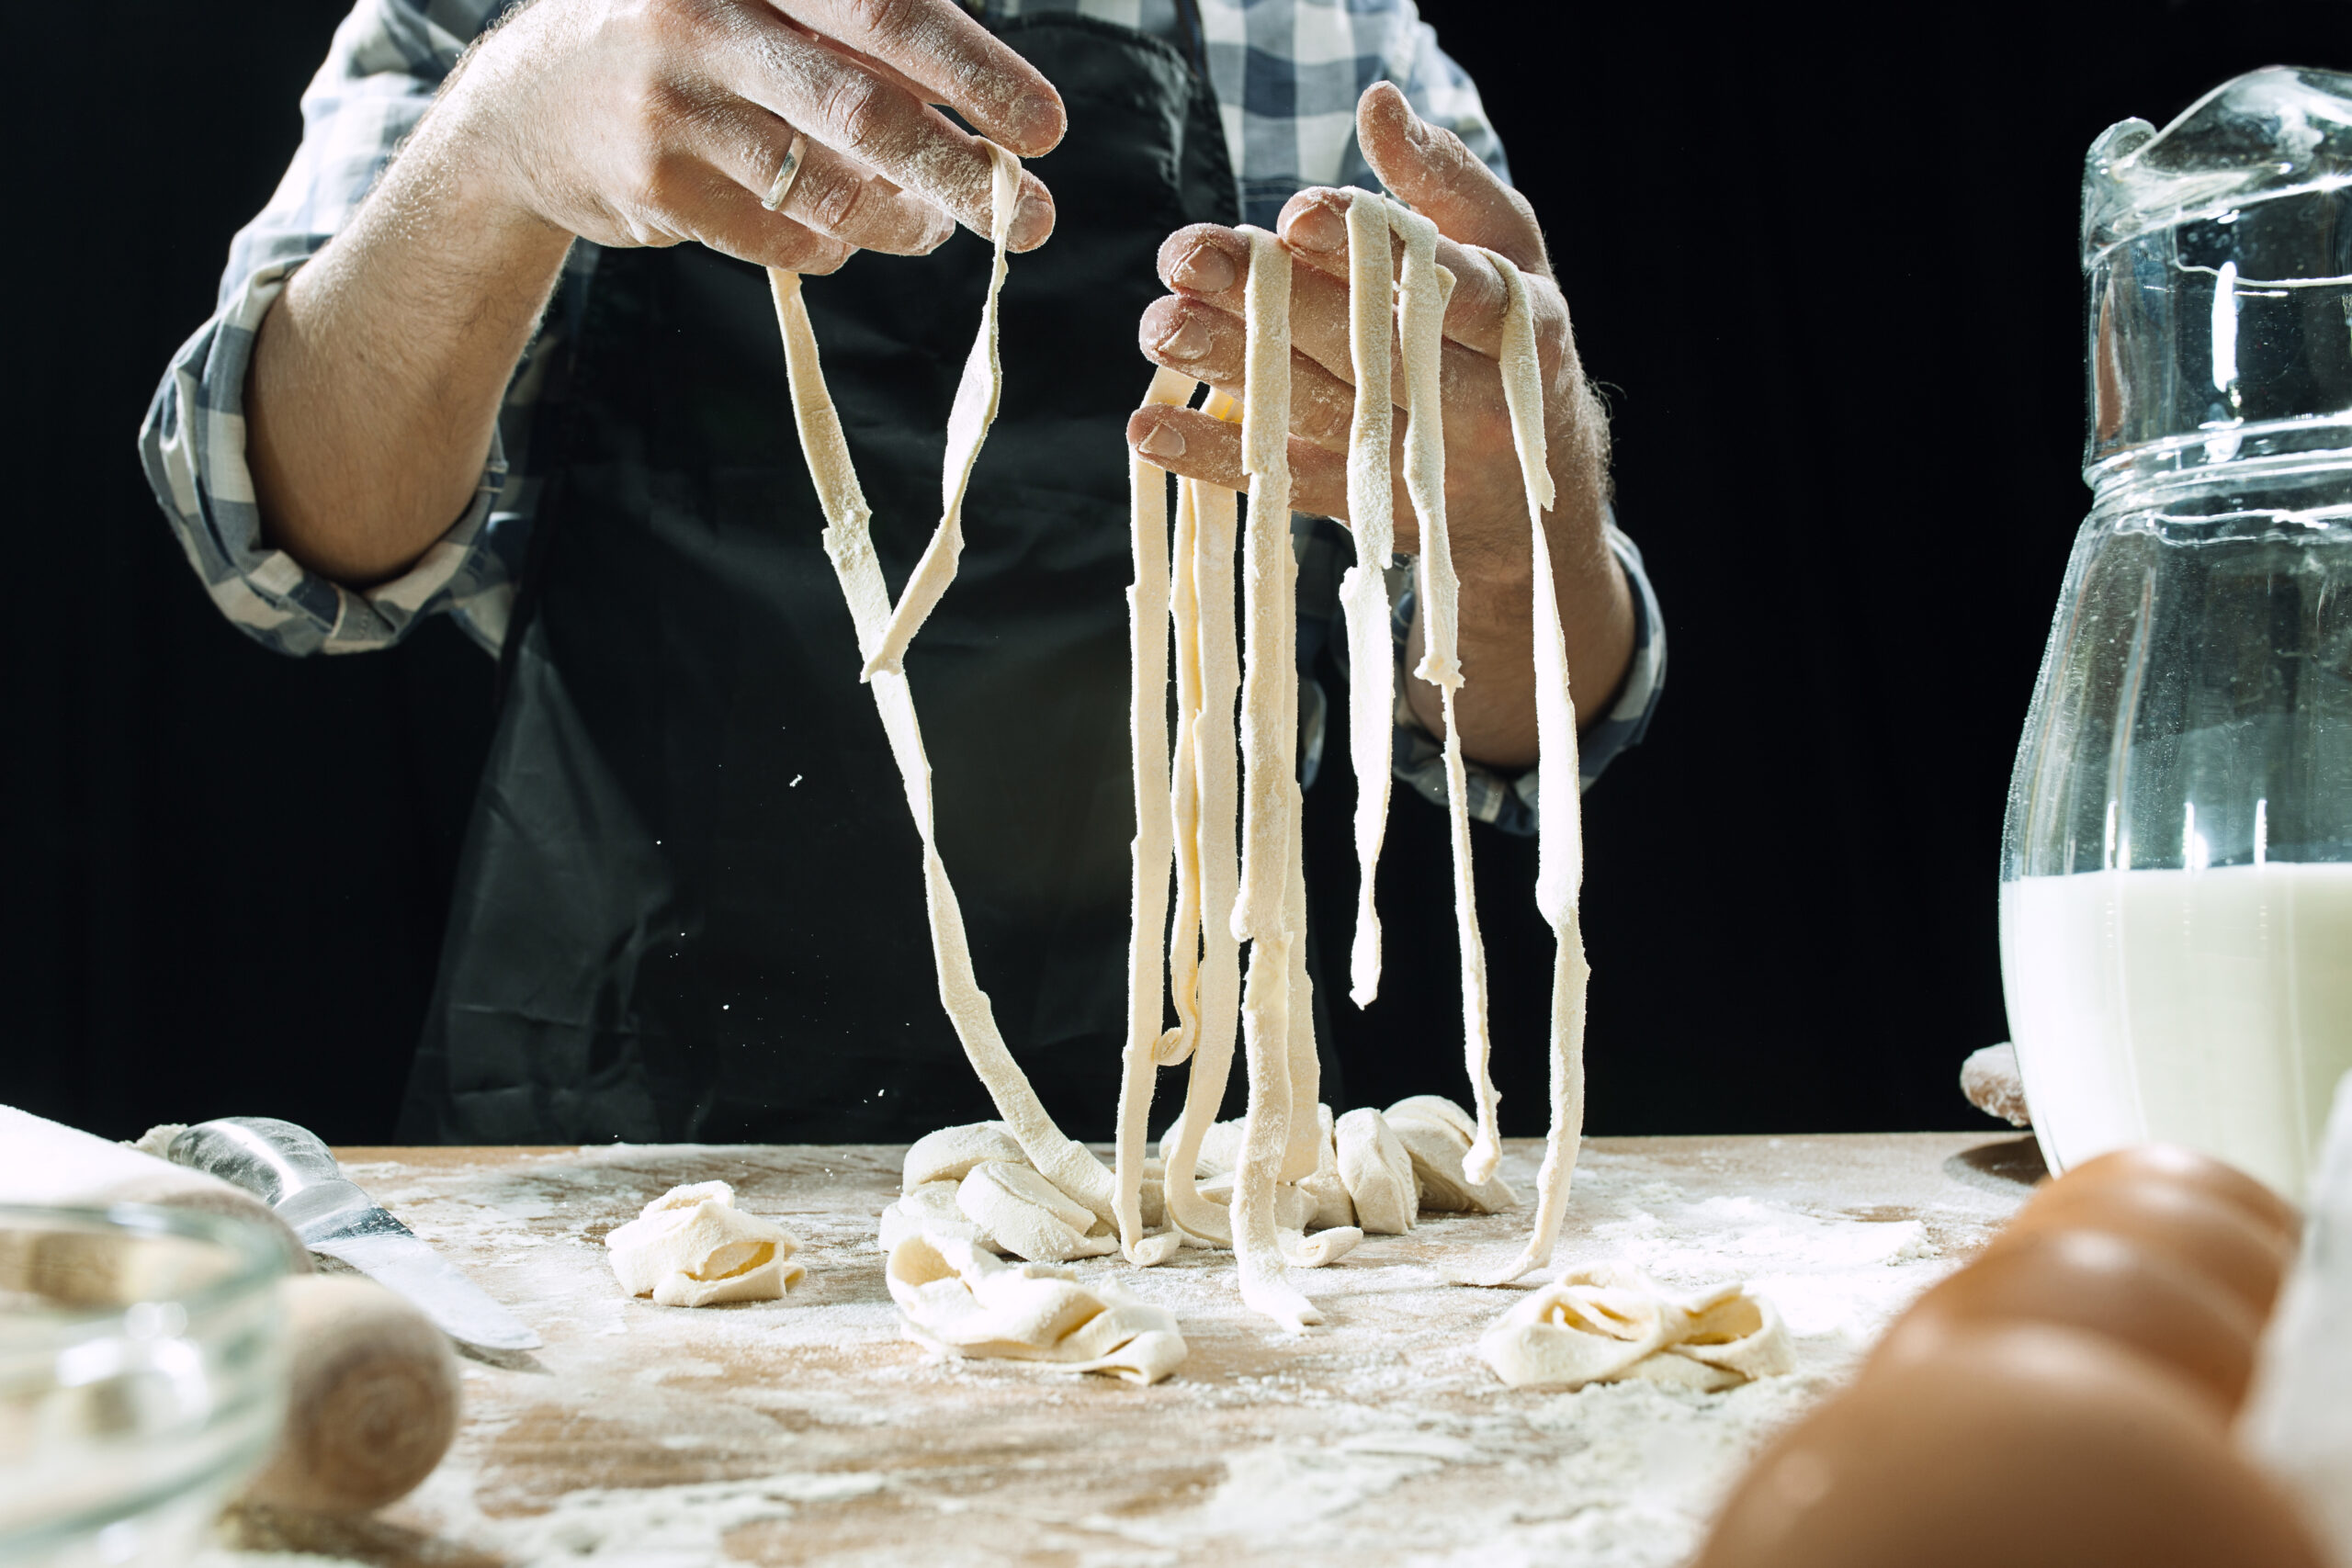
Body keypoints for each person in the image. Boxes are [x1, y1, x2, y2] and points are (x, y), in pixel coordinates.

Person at [140, 0, 1666, 1145]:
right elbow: (282, 541)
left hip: (1176, 1157)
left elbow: (1519, 737)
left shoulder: (1321, 33)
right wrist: (501, 143)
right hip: (616, 1129)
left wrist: (1513, 502)